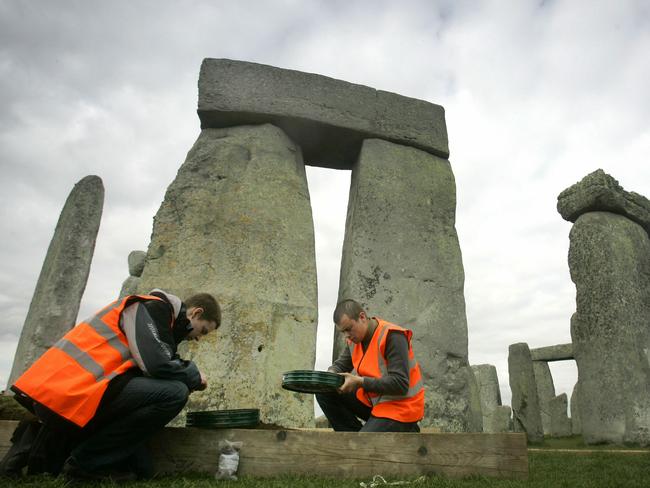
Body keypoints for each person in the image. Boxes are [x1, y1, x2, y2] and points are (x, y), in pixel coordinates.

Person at [4, 288, 220, 481]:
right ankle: (85, 463)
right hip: (72, 389)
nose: (199, 338)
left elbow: (158, 365)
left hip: (88, 389)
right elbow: (157, 364)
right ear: (195, 313)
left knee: (144, 470)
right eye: (203, 331)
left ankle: (84, 457)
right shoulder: (150, 307)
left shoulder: (163, 324)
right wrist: (194, 375)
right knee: (174, 393)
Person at [316, 299, 424, 432]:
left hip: (401, 408)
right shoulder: (354, 340)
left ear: (362, 317)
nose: (347, 336)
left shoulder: (392, 335)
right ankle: (352, 439)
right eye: (343, 332)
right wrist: (331, 374)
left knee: (363, 444)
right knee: (324, 391)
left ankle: (406, 428)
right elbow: (340, 365)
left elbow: (400, 384)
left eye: (349, 329)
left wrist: (360, 382)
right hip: (376, 404)